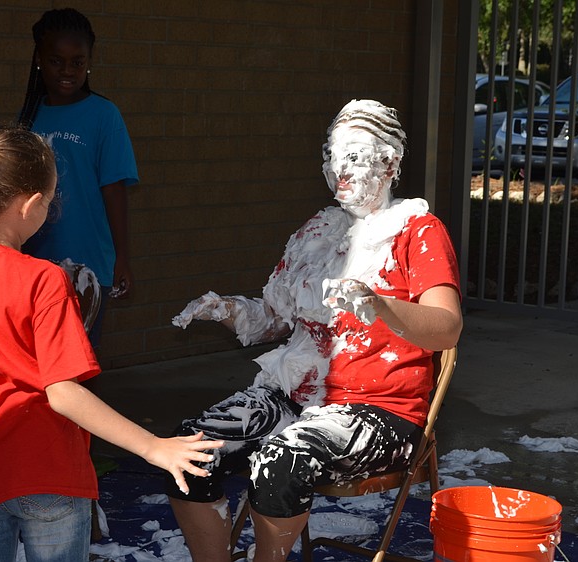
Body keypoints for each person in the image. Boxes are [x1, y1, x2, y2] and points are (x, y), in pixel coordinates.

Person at [0, 125, 222, 562]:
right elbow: (63, 392)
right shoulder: (43, 279)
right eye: (49, 201)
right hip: (48, 475)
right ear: (30, 205)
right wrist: (154, 446)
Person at [168, 99, 463, 561]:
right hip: (297, 394)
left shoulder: (417, 231)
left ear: (390, 162)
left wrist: (379, 303)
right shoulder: (317, 231)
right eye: (332, 156)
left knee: (279, 461)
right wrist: (226, 309)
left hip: (381, 409)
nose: (339, 169)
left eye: (355, 155)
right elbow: (277, 319)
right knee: (187, 449)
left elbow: (446, 329)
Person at [17, 7, 138, 347]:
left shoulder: (103, 115)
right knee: (35, 360)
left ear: (89, 62)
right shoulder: (29, 115)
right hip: (34, 260)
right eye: (57, 61)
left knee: (80, 361)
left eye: (77, 62)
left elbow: (114, 191)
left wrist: (122, 259)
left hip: (87, 261)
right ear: (39, 59)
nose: (67, 71)